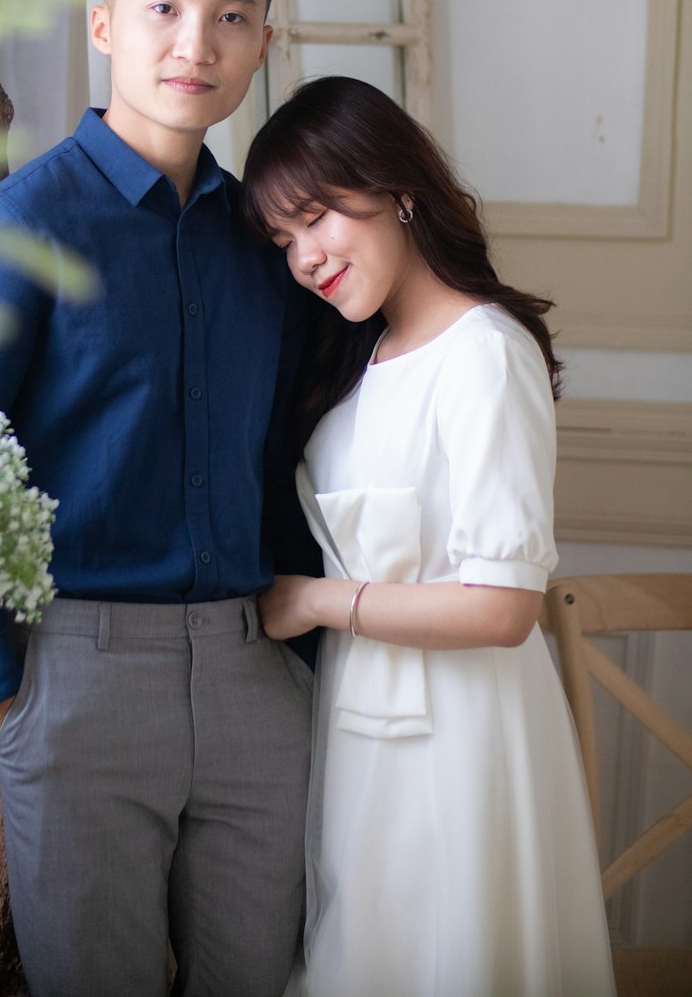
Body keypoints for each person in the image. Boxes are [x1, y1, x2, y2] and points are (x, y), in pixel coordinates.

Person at [0, 0, 318, 997]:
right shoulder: (20, 226)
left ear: (261, 46)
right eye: (165, 7)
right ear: (105, 27)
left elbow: (281, 458)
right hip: (81, 675)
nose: (196, 43)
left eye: (232, 16)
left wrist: (299, 656)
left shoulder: (263, 244)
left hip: (253, 675)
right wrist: (1, 675)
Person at [241, 75, 616, 997]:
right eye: (284, 239)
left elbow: (502, 607)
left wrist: (316, 600)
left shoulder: (483, 350)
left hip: (462, 732)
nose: (305, 257)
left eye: (319, 216)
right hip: (362, 714)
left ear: (396, 187)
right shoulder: (359, 356)